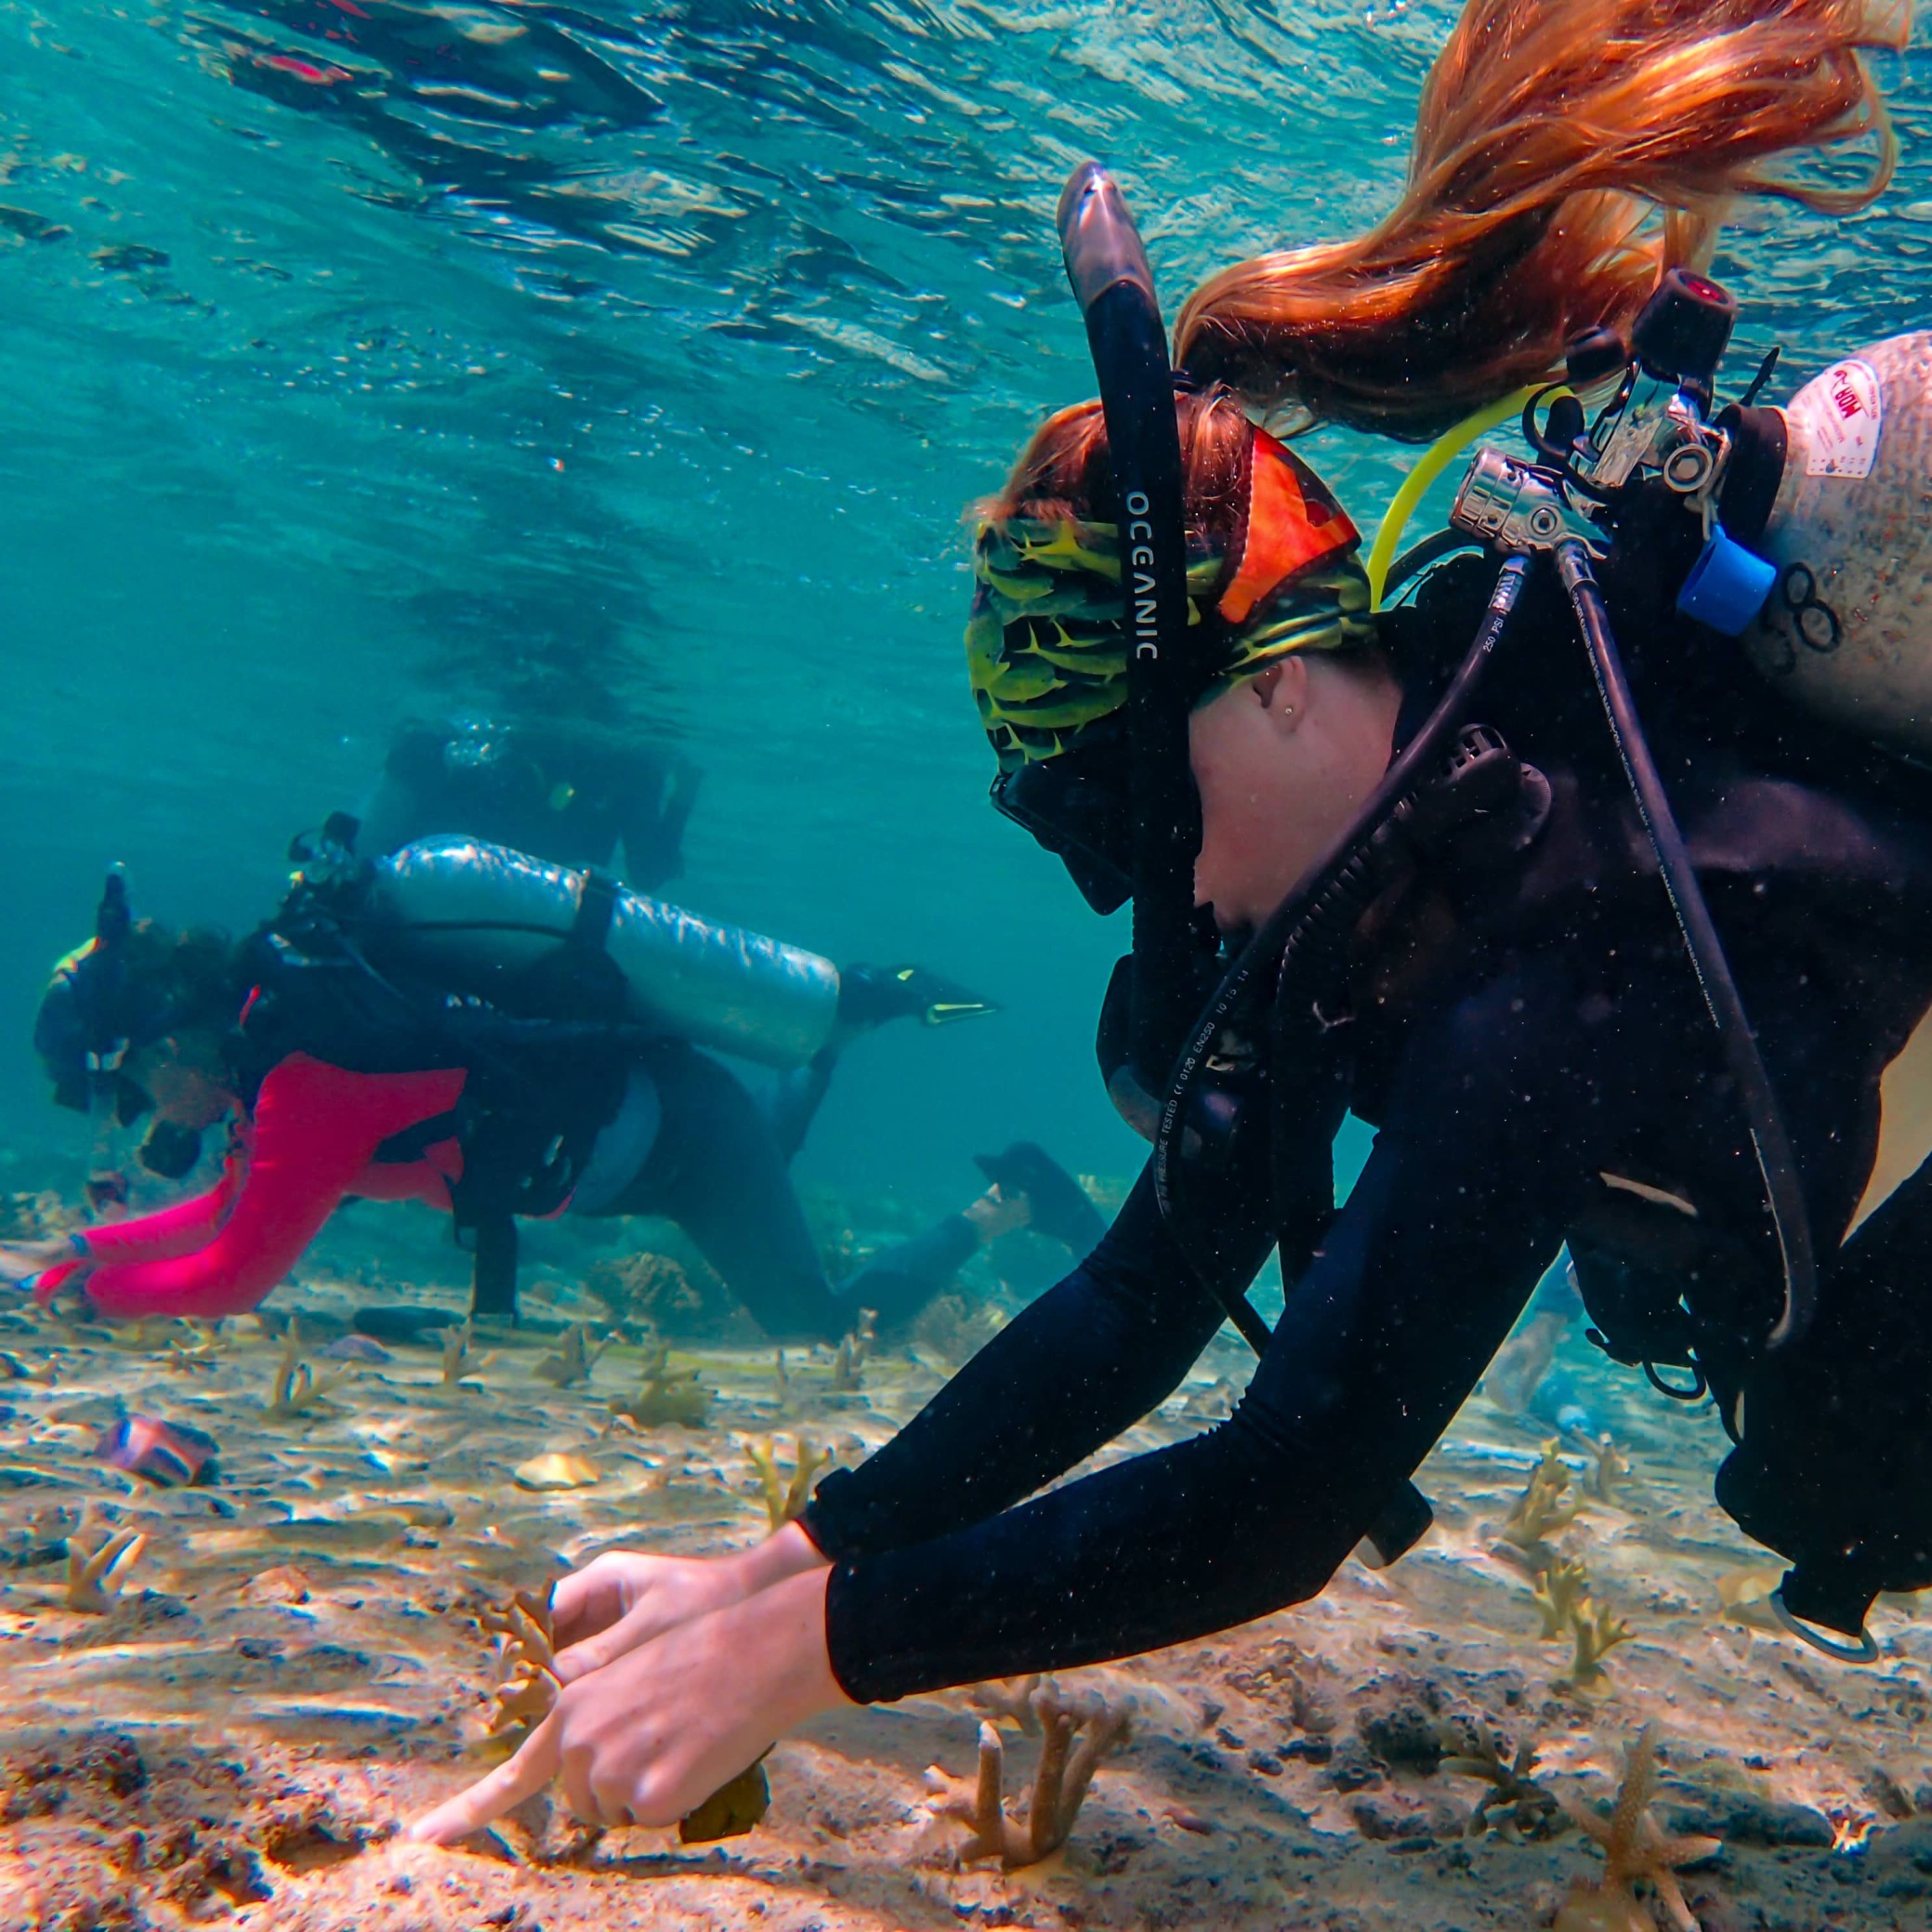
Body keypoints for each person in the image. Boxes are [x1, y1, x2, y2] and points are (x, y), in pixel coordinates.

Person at [403, 0, 1932, 1844]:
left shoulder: (1566, 918)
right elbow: (1147, 1283)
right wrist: (787, 1557)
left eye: (1133, 813)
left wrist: (809, 1655)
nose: (1159, 887)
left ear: (1278, 691)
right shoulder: (1340, 888)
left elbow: (1287, 1492)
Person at [7, 838, 1101, 1340]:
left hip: (675, 1143)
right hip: (646, 1133)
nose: (154, 1120)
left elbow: (234, 1275)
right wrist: (90, 1253)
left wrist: (82, 1301)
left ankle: (1001, 1204)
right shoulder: (280, 1047)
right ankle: (828, 1048)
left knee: (812, 1324)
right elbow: (226, 1210)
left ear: (168, 1042)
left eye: (138, 1090)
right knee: (766, 1156)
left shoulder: (306, 1078)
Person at [356, 714, 701, 890]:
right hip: (532, 928)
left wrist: (682, 796)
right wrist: (683, 795)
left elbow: (648, 873)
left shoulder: (631, 765)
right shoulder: (631, 764)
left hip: (529, 924)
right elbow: (649, 874)